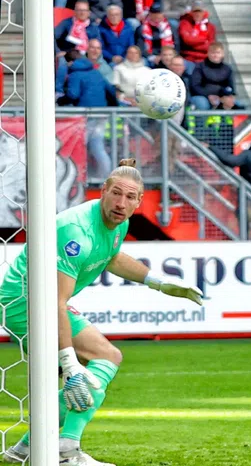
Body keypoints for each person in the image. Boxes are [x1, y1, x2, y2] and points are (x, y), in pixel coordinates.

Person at [0, 161, 202, 466]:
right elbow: (57, 302)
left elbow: (112, 256)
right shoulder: (75, 231)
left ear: (139, 202)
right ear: (103, 191)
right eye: (115, 193)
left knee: (101, 364)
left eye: (129, 197)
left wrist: (157, 282)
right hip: (22, 302)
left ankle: (32, 447)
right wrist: (69, 363)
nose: (121, 203)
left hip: (44, 300)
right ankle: (64, 448)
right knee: (99, 362)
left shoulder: (118, 223)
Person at [188, 43, 235, 109]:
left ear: (222, 54)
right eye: (213, 53)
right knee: (202, 104)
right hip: (202, 96)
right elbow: (195, 86)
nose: (215, 55)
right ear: (208, 54)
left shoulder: (227, 69)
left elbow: (230, 86)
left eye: (218, 53)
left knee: (238, 104)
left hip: (221, 96)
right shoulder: (200, 67)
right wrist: (208, 95)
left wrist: (226, 96)